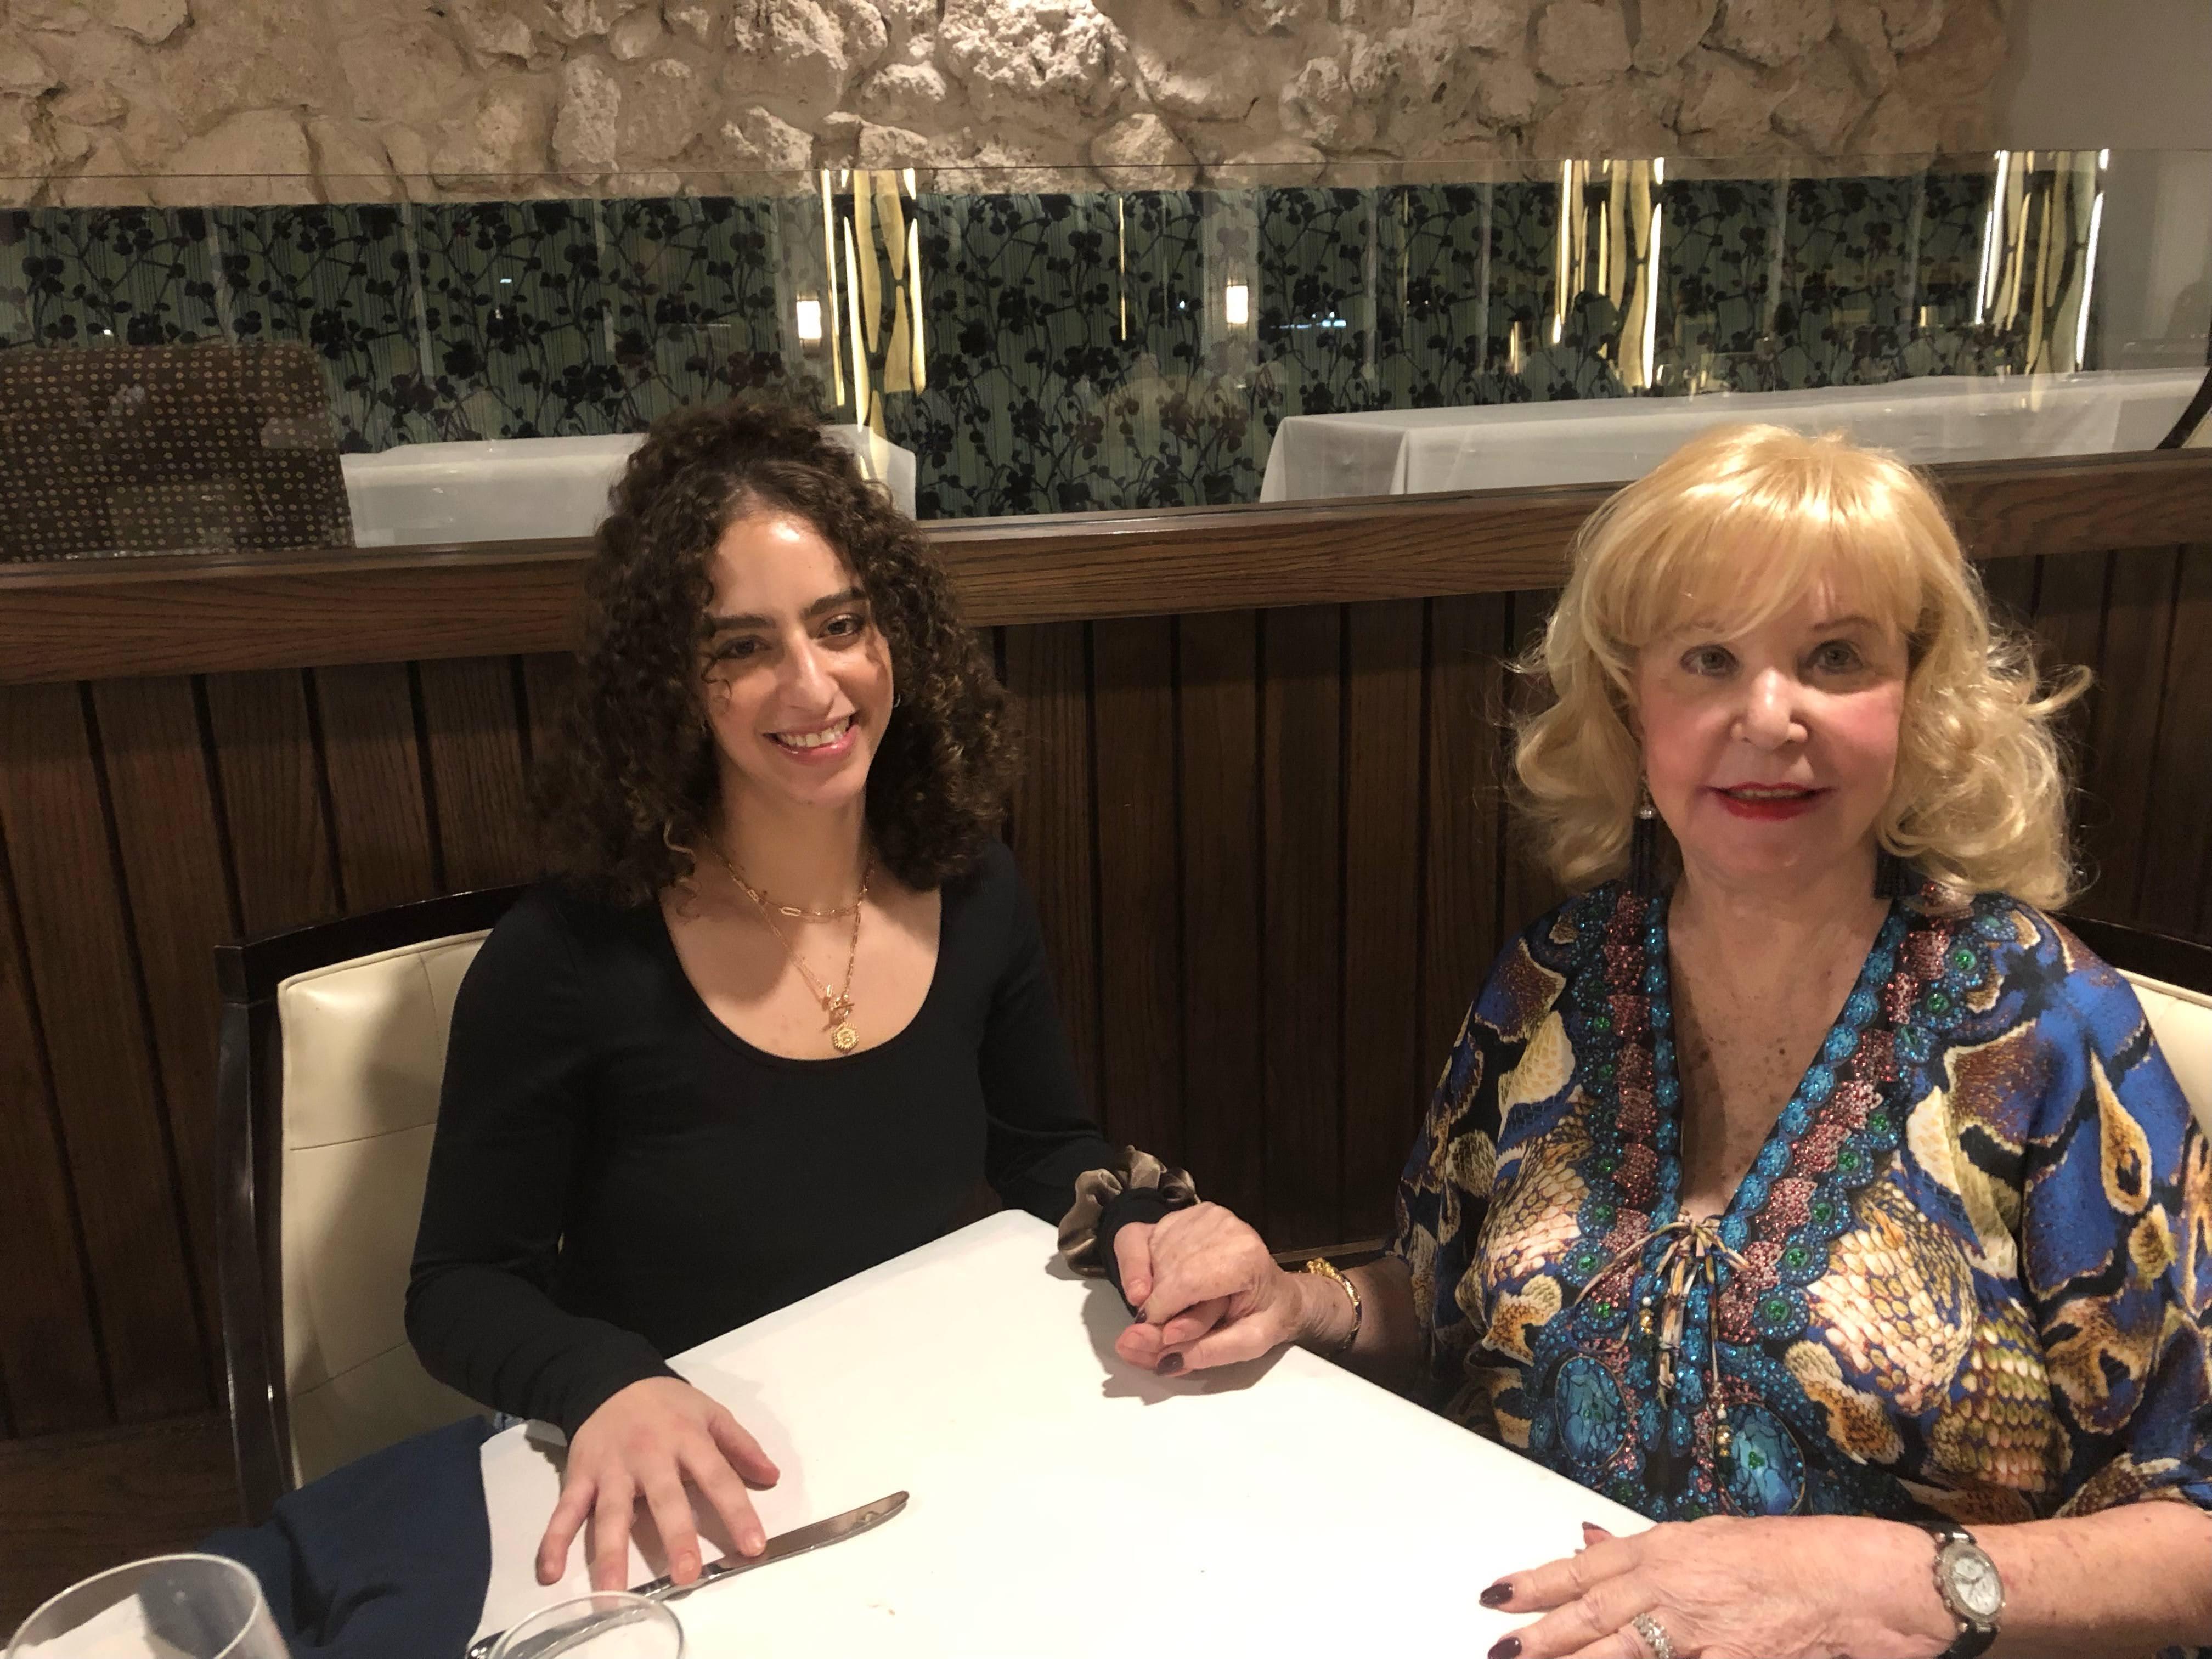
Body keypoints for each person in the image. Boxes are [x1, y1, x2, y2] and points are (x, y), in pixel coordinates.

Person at [1094, 426, 2212, 1658]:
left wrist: (1905, 1588)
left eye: (1835, 657)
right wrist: (1300, 1305)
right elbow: (1436, 1302)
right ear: (1634, 712)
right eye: (1709, 659)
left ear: (1918, 696)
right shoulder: (1556, 975)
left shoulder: (2047, 1030)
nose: (1769, 715)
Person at [407, 402, 1172, 1598]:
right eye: (741, 647)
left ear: (895, 639)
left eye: (841, 625)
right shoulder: (564, 956)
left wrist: (1152, 1229)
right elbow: (458, 1287)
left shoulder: (971, 885)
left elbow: (1043, 1148)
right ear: (671, 685)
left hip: (937, 1449)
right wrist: (607, 1381)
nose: (813, 685)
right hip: (690, 1499)